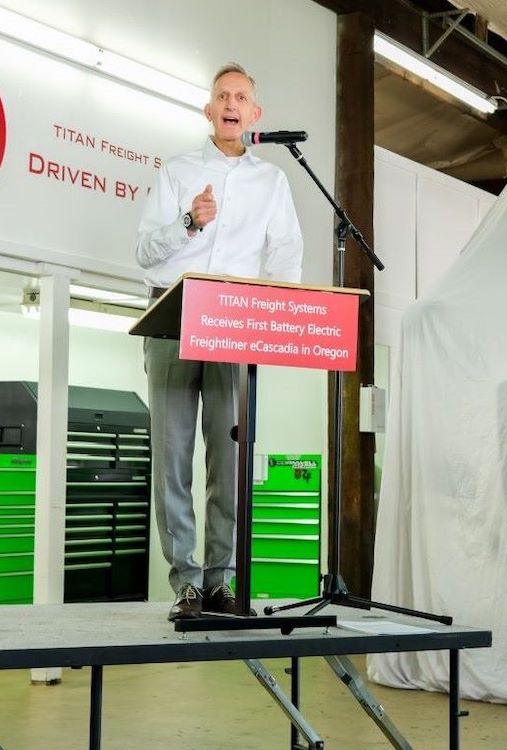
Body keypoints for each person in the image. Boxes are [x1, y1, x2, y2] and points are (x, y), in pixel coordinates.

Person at [135, 63, 304, 621]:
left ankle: (221, 580)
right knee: (172, 458)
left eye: (243, 97)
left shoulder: (272, 182)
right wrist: (189, 221)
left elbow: (285, 260)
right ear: (209, 110)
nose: (231, 104)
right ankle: (185, 581)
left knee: (230, 459)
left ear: (255, 115)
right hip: (173, 321)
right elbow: (145, 252)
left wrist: (270, 318)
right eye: (222, 96)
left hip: (235, 326)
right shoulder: (178, 170)